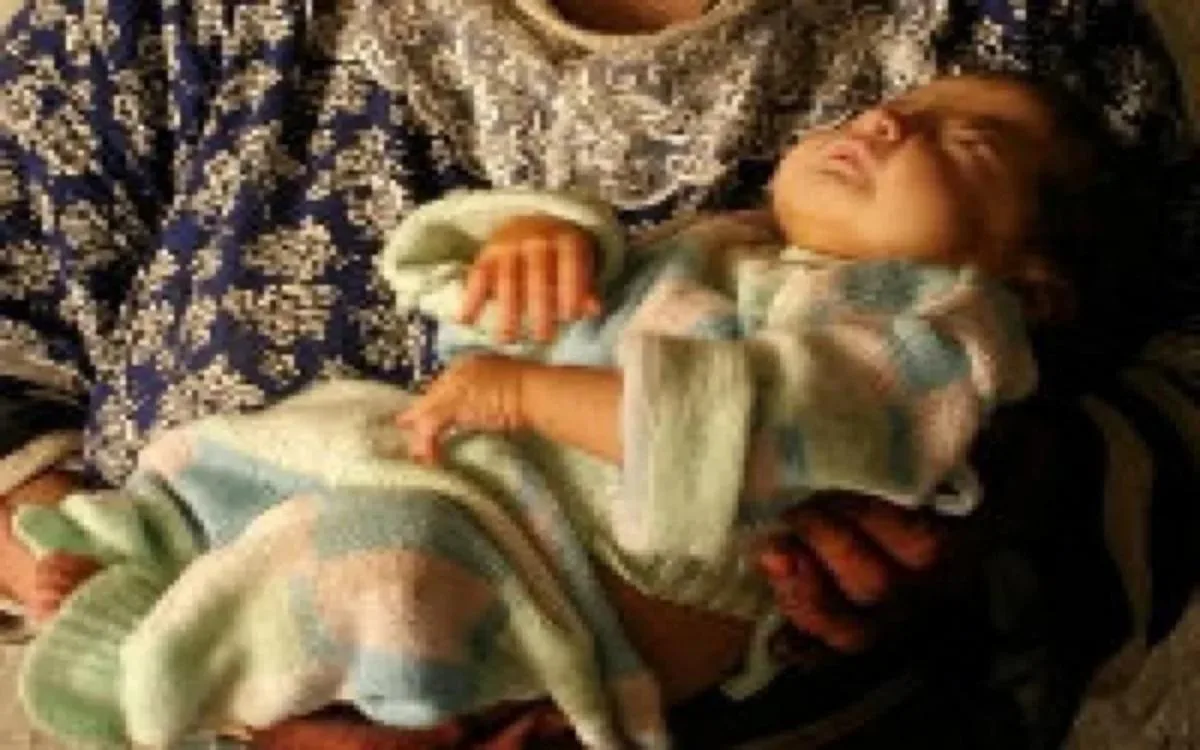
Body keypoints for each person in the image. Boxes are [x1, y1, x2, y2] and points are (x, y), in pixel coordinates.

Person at [0, 1, 1194, 748]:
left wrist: (994, 495)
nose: (895, 126)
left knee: (394, 560)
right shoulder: (156, 23)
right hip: (297, 571)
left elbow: (1172, 390)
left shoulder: (1023, 43)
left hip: (663, 652)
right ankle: (146, 610)